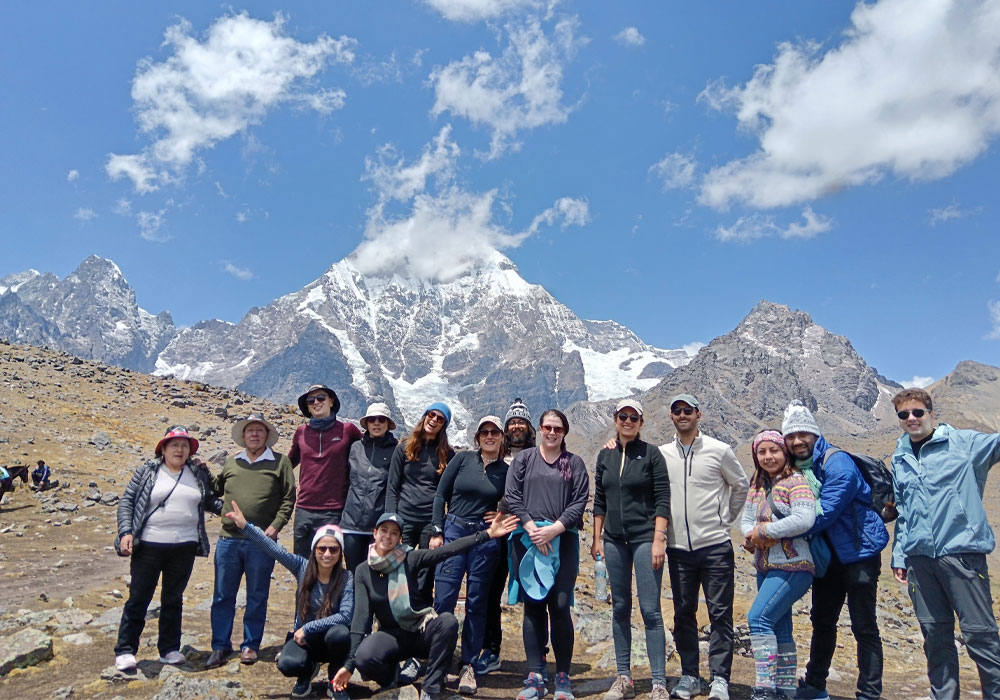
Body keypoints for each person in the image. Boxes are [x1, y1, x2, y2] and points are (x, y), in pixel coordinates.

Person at [330, 511, 519, 700]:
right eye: (384, 531)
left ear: (400, 538)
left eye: (394, 533)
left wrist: (487, 534)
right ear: (375, 533)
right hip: (391, 636)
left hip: (420, 631)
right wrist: (349, 665)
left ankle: (431, 688)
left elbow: (448, 550)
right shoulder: (363, 571)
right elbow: (360, 620)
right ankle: (390, 680)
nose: (388, 536)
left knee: (448, 622)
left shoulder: (410, 558)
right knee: (364, 657)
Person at [889, 388, 1000, 699]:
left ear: (931, 414)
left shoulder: (963, 443)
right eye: (904, 414)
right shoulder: (900, 457)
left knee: (980, 636)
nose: (911, 418)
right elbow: (904, 511)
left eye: (918, 412)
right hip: (920, 561)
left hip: (962, 554)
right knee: (935, 637)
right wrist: (899, 555)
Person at [780, 400, 888, 700]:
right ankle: (814, 684)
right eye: (791, 436)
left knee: (864, 625)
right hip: (828, 557)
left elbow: (824, 513)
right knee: (822, 621)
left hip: (860, 553)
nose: (797, 441)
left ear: (815, 435)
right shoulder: (800, 468)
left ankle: (869, 693)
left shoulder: (837, 463)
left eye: (803, 434)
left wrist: (777, 530)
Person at [659, 394, 749, 700]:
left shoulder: (719, 450)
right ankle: (690, 676)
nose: (682, 415)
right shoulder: (663, 454)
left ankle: (720, 679)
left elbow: (740, 485)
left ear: (699, 414)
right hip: (678, 550)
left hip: (715, 547)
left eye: (688, 410)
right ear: (671, 416)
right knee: (683, 612)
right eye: (677, 410)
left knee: (720, 614)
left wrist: (726, 519)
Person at [113, 426, 223, 672]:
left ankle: (169, 649)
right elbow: (127, 501)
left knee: (173, 599)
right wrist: (125, 532)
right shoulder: (147, 471)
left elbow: (209, 500)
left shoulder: (197, 473)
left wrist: (233, 512)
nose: (180, 450)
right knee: (139, 597)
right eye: (174, 445)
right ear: (163, 449)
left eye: (185, 446)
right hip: (149, 545)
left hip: (184, 546)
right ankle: (125, 650)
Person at [225, 500, 354, 699]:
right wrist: (245, 526)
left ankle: (334, 679)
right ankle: (306, 672)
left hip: (329, 639)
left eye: (333, 549)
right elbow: (273, 549)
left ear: (340, 553)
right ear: (314, 550)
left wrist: (308, 628)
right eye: (322, 549)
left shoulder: (346, 577)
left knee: (340, 634)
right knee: (287, 664)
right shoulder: (302, 567)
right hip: (305, 640)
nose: (327, 554)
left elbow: (345, 616)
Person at [505, 409, 590, 700]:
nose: (552, 432)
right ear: (540, 429)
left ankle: (563, 675)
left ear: (564, 432)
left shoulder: (574, 463)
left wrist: (553, 530)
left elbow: (579, 501)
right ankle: (535, 674)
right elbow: (512, 495)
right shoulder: (524, 459)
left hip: (562, 540)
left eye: (558, 428)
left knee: (560, 604)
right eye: (548, 427)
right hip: (527, 539)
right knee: (533, 603)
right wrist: (532, 528)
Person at [593, 399, 671, 700]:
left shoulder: (651, 454)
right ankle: (623, 677)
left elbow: (662, 498)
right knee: (620, 607)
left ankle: (659, 683)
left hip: (645, 539)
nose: (627, 421)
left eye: (633, 417)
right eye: (622, 416)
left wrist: (659, 538)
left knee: (650, 610)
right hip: (613, 540)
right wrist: (597, 539)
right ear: (615, 420)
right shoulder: (605, 455)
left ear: (641, 422)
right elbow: (599, 500)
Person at [206, 414, 296, 669]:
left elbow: (288, 498)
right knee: (223, 595)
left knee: (257, 595)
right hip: (229, 539)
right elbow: (216, 488)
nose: (254, 434)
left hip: (261, 541)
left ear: (267, 436)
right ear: (243, 436)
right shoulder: (232, 461)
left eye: (259, 430)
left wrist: (275, 527)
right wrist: (202, 469)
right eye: (250, 431)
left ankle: (250, 645)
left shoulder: (280, 462)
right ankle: (220, 646)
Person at [430, 415, 510, 695]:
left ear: (501, 437)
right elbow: (440, 495)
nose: (489, 436)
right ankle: (439, 663)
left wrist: (502, 514)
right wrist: (437, 529)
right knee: (444, 598)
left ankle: (469, 665)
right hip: (454, 531)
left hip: (485, 539)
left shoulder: (506, 470)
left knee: (477, 602)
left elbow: (516, 501)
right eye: (484, 432)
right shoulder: (462, 459)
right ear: (477, 437)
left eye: (494, 432)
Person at [740, 430, 817, 700]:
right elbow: (746, 521)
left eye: (774, 450)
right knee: (780, 627)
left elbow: (804, 518)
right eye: (762, 452)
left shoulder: (796, 481)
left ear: (785, 452)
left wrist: (765, 531)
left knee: (758, 619)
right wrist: (751, 535)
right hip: (766, 566)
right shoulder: (757, 486)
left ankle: (764, 688)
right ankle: (785, 689)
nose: (768, 457)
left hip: (793, 565)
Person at [479, 397, 537, 677]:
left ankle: (537, 653)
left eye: (521, 421)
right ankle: (491, 649)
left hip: (529, 533)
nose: (516, 426)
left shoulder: (540, 456)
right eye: (512, 422)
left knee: (535, 592)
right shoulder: (495, 458)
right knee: (491, 591)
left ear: (529, 427)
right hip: (499, 534)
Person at [385, 402, 455, 600]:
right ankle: (395, 612)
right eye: (431, 415)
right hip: (404, 520)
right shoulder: (403, 448)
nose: (434, 420)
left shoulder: (448, 454)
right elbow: (392, 488)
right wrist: (391, 522)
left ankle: (422, 613)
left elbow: (449, 494)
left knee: (426, 573)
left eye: (440, 419)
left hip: (430, 522)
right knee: (398, 568)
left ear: (444, 425)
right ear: (425, 416)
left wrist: (439, 528)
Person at [289, 384, 363, 558]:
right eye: (310, 400)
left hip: (334, 510)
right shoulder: (301, 432)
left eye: (321, 397)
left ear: (331, 401)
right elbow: (288, 463)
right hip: (304, 509)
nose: (316, 402)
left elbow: (367, 452)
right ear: (307, 407)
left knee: (329, 561)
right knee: (301, 562)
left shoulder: (347, 430)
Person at [341, 403, 399, 573]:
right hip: (351, 524)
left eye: (381, 419)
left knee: (376, 574)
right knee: (353, 574)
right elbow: (343, 480)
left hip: (379, 525)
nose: (376, 423)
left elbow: (397, 487)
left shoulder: (396, 451)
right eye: (372, 419)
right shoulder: (355, 448)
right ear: (366, 423)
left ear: (388, 424)